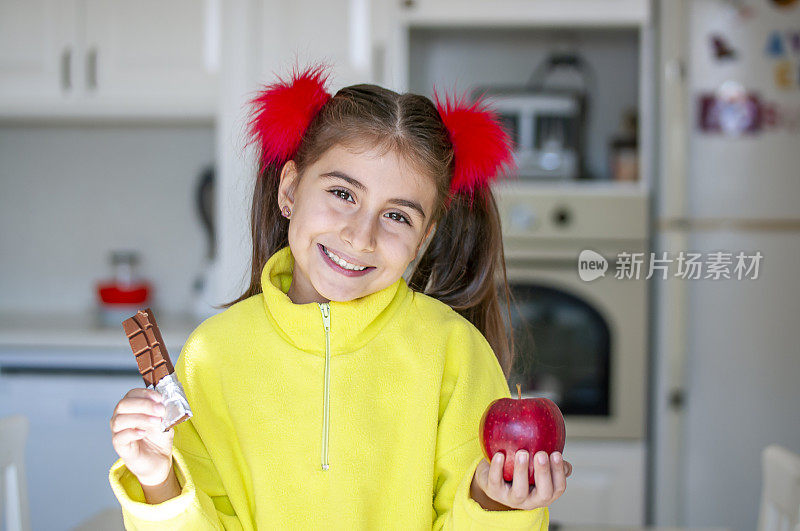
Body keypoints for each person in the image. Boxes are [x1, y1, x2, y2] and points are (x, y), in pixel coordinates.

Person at [108, 62, 572, 529]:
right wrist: (157, 480)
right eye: (342, 193)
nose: (360, 235)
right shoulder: (210, 356)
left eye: (397, 217)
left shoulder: (454, 352)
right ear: (289, 190)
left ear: (424, 237)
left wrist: (498, 504)